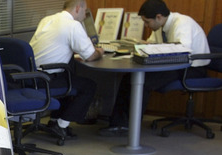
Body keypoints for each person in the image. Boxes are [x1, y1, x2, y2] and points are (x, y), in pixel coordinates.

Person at [100, 0, 210, 136]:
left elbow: (182, 51)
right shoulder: (159, 26)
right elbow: (151, 44)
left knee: (144, 82)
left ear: (159, 17)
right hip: (173, 66)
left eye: (147, 22)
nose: (146, 26)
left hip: (192, 68)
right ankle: (117, 123)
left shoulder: (183, 23)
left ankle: (129, 126)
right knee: (129, 77)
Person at [30, 0, 104, 139]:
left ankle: (54, 121)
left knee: (68, 75)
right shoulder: (73, 25)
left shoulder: (47, 19)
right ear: (77, 8)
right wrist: (100, 51)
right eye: (84, 11)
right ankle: (61, 125)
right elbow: (90, 56)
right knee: (89, 86)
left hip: (31, 76)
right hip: (47, 79)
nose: (85, 15)